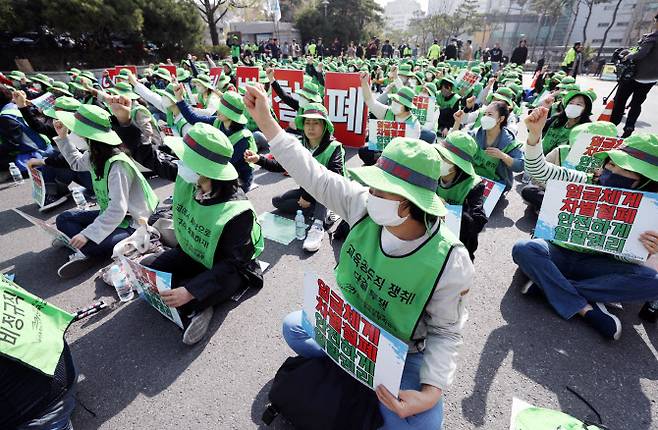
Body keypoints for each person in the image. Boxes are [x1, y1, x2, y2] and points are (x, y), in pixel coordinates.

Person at [243, 81, 473, 430]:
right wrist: (267, 123)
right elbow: (314, 174)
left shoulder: (450, 260)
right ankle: (360, 379)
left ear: (413, 205)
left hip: (403, 351)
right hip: (353, 328)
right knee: (294, 327)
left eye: (384, 190)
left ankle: (361, 381)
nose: (371, 193)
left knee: (422, 425)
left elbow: (446, 333)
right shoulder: (364, 204)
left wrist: (430, 391)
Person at [513, 106, 658, 340]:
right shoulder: (582, 181)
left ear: (644, 182)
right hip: (557, 252)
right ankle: (586, 309)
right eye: (611, 164)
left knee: (653, 282)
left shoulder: (650, 210)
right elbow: (538, 170)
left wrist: (648, 249)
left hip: (597, 264)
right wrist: (534, 135)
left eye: (625, 170)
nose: (612, 170)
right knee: (525, 249)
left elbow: (627, 260)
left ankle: (548, 286)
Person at [139, 122, 264, 345]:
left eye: (187, 159)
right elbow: (152, 159)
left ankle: (202, 305)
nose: (180, 162)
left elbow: (232, 263)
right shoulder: (190, 178)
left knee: (183, 297)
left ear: (205, 171)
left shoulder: (238, 211)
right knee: (150, 273)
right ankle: (196, 295)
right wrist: (126, 123)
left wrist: (190, 291)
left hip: (226, 267)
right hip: (192, 252)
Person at [53, 101, 158, 278]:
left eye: (75, 130)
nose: (74, 133)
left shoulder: (118, 165)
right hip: (109, 215)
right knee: (63, 218)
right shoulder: (95, 153)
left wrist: (86, 234)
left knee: (90, 245)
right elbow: (77, 164)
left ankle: (86, 250)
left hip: (133, 222)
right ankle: (82, 246)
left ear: (89, 135)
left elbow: (118, 210)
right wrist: (62, 138)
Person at [244, 104, 344, 252]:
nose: (311, 127)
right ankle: (322, 213)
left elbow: (333, 179)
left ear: (325, 126)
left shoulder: (334, 147)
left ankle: (318, 226)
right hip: (308, 191)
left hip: (330, 191)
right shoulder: (299, 145)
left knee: (323, 190)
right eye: (307, 123)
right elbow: (281, 165)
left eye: (316, 123)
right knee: (278, 201)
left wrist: (307, 196)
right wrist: (259, 159)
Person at [173, 84, 257, 192]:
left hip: (237, 179)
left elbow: (227, 166)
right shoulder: (217, 122)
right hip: (219, 171)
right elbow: (193, 119)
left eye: (223, 109)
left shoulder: (243, 138)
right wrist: (180, 98)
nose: (218, 110)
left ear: (232, 114)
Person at [436, 131, 488, 260]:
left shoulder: (474, 185)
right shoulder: (432, 170)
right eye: (439, 153)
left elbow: (477, 222)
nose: (438, 158)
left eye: (444, 156)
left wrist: (447, 208)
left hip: (459, 239)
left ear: (457, 164)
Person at [454, 101, 523, 191]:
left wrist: (503, 156)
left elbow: (520, 166)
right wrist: (457, 122)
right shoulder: (476, 134)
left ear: (501, 119)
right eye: (484, 114)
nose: (485, 118)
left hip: (497, 182)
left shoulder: (509, 141)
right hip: (474, 177)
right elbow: (454, 143)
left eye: (490, 114)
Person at [610, 13, 658, 138]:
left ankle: (612, 125)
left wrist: (627, 56)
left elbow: (641, 54)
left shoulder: (653, 37)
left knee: (620, 100)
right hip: (651, 79)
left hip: (636, 76)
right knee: (637, 103)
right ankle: (629, 127)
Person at [358, 71, 421, 165]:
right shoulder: (388, 111)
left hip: (400, 158)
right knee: (364, 151)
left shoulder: (414, 124)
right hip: (382, 153)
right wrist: (364, 82)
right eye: (394, 100)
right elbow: (370, 101)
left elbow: (409, 151)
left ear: (407, 106)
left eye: (398, 102)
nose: (394, 103)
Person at [0, 85, 55, 176]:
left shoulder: (5, 117)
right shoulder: (14, 106)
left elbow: (13, 144)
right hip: (46, 149)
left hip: (35, 155)